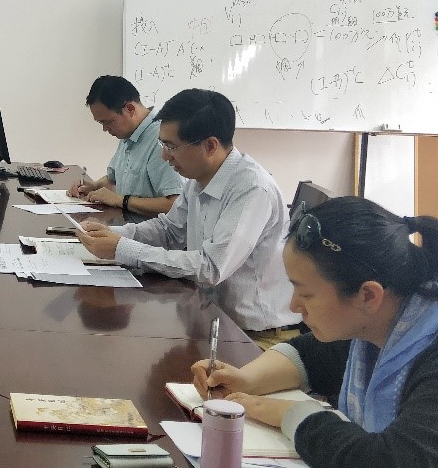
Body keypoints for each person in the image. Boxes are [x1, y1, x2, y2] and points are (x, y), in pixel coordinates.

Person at [191, 197, 438, 468]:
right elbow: (315, 355)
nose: (294, 306)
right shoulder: (390, 316)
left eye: (306, 294)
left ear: (368, 295)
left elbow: (390, 460)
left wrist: (290, 414)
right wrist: (246, 379)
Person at [77, 88, 300, 345]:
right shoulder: (199, 178)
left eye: (171, 147)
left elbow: (210, 268)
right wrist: (112, 234)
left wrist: (122, 248)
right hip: (210, 319)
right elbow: (169, 230)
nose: (164, 156)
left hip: (255, 338)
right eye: (162, 145)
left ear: (210, 146)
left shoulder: (251, 188)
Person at [67, 75, 183, 218]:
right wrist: (93, 186)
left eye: (108, 122)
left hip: (150, 230)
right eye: (101, 123)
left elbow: (175, 204)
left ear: (130, 109)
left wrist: (122, 201)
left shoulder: (161, 140)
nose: (105, 129)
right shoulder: (129, 133)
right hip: (127, 225)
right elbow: (114, 178)